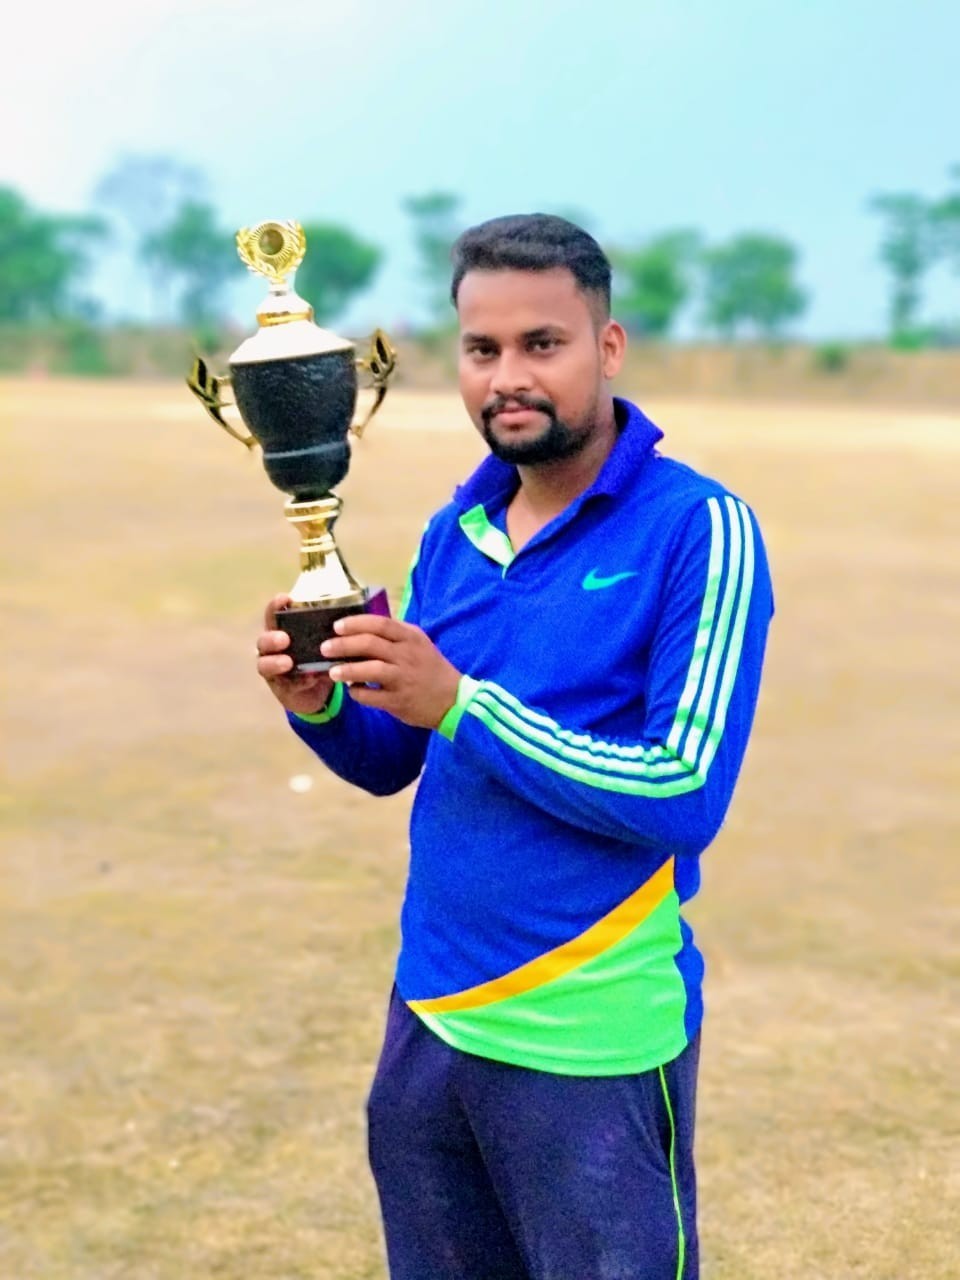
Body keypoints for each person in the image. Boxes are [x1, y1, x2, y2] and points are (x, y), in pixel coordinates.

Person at [255, 214, 773, 1280]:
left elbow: (682, 790)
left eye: (544, 343)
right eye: (482, 349)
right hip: (432, 1018)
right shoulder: (457, 530)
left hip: (590, 1035)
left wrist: (460, 702)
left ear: (608, 347)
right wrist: (323, 706)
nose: (509, 378)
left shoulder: (698, 527)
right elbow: (394, 758)